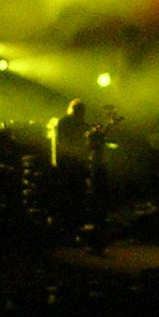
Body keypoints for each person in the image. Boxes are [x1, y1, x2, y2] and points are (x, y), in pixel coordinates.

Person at [48, 98, 91, 235]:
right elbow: (66, 143)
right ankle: (71, 226)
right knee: (72, 194)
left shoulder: (66, 121)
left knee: (70, 194)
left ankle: (68, 226)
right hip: (69, 163)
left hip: (68, 162)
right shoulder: (69, 122)